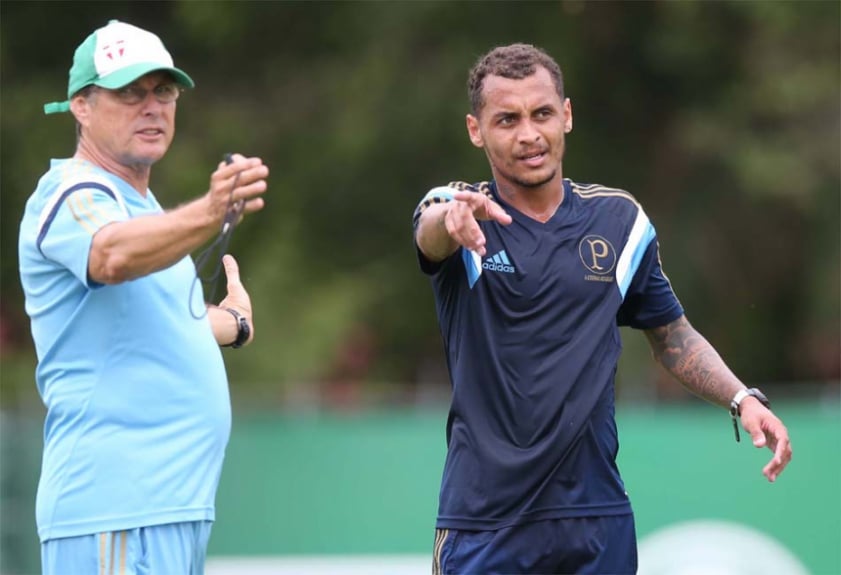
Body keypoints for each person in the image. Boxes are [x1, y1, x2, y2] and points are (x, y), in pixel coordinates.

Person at [412, 43, 792, 575]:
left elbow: (670, 333)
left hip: (597, 521)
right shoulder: (463, 215)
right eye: (507, 119)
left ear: (566, 115)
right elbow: (432, 229)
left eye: (542, 113)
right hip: (485, 524)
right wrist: (446, 214)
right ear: (476, 130)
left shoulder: (619, 222)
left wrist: (741, 398)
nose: (528, 134)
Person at [18, 20, 269, 574]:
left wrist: (232, 325)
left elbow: (151, 323)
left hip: (170, 511)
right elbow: (110, 256)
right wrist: (210, 211)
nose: (151, 106)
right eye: (130, 92)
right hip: (114, 510)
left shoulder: (145, 212)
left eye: (164, 91)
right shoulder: (71, 192)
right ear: (81, 106)